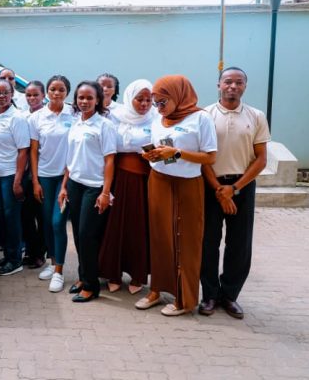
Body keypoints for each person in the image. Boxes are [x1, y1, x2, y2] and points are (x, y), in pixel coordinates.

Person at [135, 75, 217, 316]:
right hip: (159, 180)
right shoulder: (158, 119)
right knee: (159, 237)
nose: (158, 107)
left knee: (187, 240)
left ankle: (184, 299)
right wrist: (151, 155)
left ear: (179, 96)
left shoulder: (201, 118)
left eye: (163, 102)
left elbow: (210, 157)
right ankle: (156, 290)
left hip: (188, 183)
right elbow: (160, 149)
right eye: (156, 102)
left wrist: (177, 153)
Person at [199, 67, 269, 319]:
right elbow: (202, 157)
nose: (233, 86)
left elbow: (261, 159)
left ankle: (229, 295)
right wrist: (219, 190)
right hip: (211, 186)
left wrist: (234, 188)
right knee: (208, 242)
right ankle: (209, 295)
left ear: (245, 87)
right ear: (218, 85)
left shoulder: (256, 116)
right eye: (228, 81)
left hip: (242, 186)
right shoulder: (205, 115)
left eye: (239, 82)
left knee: (239, 244)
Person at [58, 81, 117, 302]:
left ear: (98, 100)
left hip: (94, 187)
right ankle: (83, 277)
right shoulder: (75, 123)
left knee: (87, 235)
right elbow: (70, 159)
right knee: (77, 235)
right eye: (80, 97)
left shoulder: (105, 125)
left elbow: (110, 160)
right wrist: (64, 186)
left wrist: (105, 192)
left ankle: (91, 286)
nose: (84, 101)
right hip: (75, 184)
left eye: (89, 98)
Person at [98, 79, 154, 295]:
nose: (144, 104)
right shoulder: (115, 117)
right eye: (139, 99)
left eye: (148, 99)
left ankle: (138, 275)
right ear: (130, 98)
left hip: (144, 180)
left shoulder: (156, 119)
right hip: (118, 178)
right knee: (114, 226)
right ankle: (113, 273)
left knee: (138, 227)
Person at [28, 75, 74, 292]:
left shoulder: (74, 114)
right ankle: (52, 261)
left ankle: (59, 272)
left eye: (61, 90)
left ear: (67, 92)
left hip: (66, 177)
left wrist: (66, 180)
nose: (57, 93)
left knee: (58, 222)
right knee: (46, 222)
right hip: (44, 177)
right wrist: (35, 181)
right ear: (47, 92)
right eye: (53, 89)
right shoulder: (36, 117)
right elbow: (33, 151)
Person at [0, 80, 30, 277]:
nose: (1, 96)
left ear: (12, 94)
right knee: (2, 217)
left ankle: (15, 260)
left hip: (10, 175)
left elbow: (23, 151)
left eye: (5, 92)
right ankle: (8, 256)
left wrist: (18, 181)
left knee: (12, 218)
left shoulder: (17, 118)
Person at [20, 80, 47, 270]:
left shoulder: (47, 116)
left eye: (36, 95)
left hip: (41, 172)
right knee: (26, 215)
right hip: (24, 173)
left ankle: (40, 254)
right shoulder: (22, 116)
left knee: (42, 216)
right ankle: (30, 251)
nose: (32, 98)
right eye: (28, 95)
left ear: (43, 95)